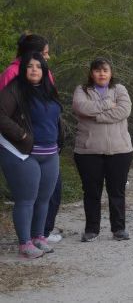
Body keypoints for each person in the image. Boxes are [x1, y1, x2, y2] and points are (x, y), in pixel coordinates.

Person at [0, 33, 62, 243]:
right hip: (24, 152)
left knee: (44, 199)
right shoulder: (15, 85)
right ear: (23, 67)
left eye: (39, 65)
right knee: (27, 199)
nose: (35, 69)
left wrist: (58, 138)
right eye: (30, 66)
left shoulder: (48, 88)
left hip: (49, 151)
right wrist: (23, 135)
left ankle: (39, 237)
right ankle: (25, 243)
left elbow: (54, 117)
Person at [72, 57, 133, 242]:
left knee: (117, 191)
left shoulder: (119, 89)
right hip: (88, 151)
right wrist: (107, 105)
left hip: (120, 150)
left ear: (110, 73)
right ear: (92, 73)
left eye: (105, 70)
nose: (101, 74)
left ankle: (119, 229)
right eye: (97, 70)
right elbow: (81, 107)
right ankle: (91, 229)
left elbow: (124, 110)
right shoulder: (82, 90)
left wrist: (97, 117)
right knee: (91, 192)